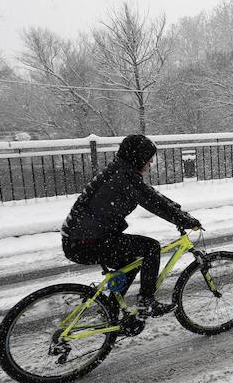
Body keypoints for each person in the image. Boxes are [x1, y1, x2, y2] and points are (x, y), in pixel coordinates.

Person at [61, 134, 201, 317]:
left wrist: (179, 212)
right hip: (86, 242)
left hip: (78, 239)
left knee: (131, 262)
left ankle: (110, 309)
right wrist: (184, 220)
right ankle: (146, 302)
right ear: (139, 158)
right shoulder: (124, 177)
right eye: (149, 160)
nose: (150, 164)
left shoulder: (120, 171)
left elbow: (152, 195)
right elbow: (153, 202)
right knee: (151, 247)